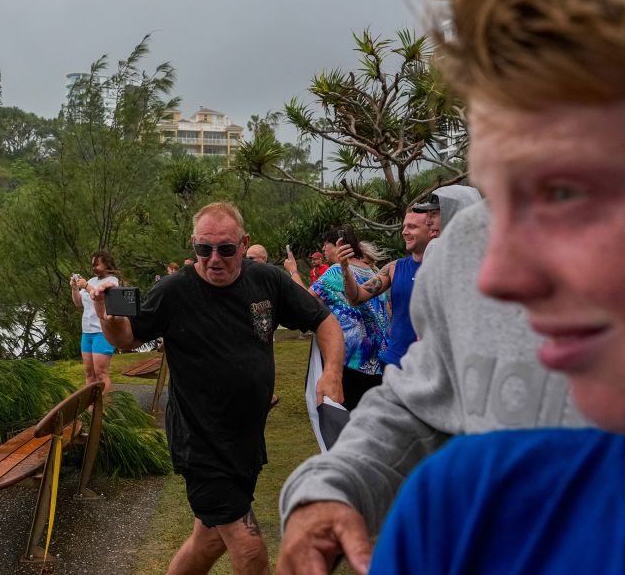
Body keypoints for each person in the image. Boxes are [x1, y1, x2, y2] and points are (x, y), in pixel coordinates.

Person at [277, 0, 625, 570]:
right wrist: (337, 483)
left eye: (566, 191)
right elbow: (423, 399)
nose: (501, 274)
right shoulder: (469, 250)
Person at [91, 202, 346, 575]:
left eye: (225, 249)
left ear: (243, 244)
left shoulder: (268, 281)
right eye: (203, 249)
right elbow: (128, 339)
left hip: (244, 438)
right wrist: (107, 319)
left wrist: (332, 373)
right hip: (199, 443)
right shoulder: (173, 291)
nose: (214, 258)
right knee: (250, 550)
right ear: (194, 244)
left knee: (208, 539)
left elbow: (325, 321)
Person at [290, 227, 391, 410]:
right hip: (378, 360)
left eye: (326, 245)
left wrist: (293, 272)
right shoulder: (371, 271)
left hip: (350, 359)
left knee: (345, 418)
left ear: (338, 246)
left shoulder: (335, 271)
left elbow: (305, 301)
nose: (323, 249)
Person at [338, 210, 433, 368]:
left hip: (429, 366)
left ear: (432, 230)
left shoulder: (446, 268)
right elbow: (356, 297)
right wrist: (345, 267)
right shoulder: (394, 268)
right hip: (395, 363)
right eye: (404, 226)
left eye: (412, 226)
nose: (404, 232)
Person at [69, 250, 120, 393]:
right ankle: (92, 409)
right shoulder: (91, 281)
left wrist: (85, 286)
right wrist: (75, 288)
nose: (93, 268)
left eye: (96, 264)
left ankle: (107, 409)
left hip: (102, 332)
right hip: (87, 332)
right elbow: (78, 303)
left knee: (101, 373)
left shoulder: (113, 281)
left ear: (106, 264)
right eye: (92, 265)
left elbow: (103, 296)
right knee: (89, 373)